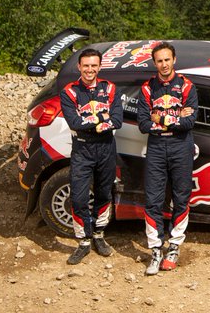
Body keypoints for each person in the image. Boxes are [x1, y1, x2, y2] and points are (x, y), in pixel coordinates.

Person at [137, 41, 198, 275]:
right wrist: (174, 118)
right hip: (156, 148)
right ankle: (154, 249)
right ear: (155, 63)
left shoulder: (187, 86)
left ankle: (174, 247)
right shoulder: (147, 88)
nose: (164, 64)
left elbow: (190, 122)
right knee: (152, 199)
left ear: (174, 60)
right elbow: (143, 124)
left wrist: (159, 118)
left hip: (181, 147)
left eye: (167, 59)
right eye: (159, 60)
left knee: (181, 198)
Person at [59, 47, 123, 265]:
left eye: (94, 65)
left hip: (106, 148)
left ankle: (98, 235)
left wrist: (92, 119)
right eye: (85, 65)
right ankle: (83, 241)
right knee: (78, 197)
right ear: (79, 67)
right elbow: (74, 123)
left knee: (104, 193)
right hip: (82, 150)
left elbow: (117, 120)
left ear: (99, 66)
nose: (89, 70)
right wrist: (101, 118)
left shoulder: (110, 88)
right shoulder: (70, 91)